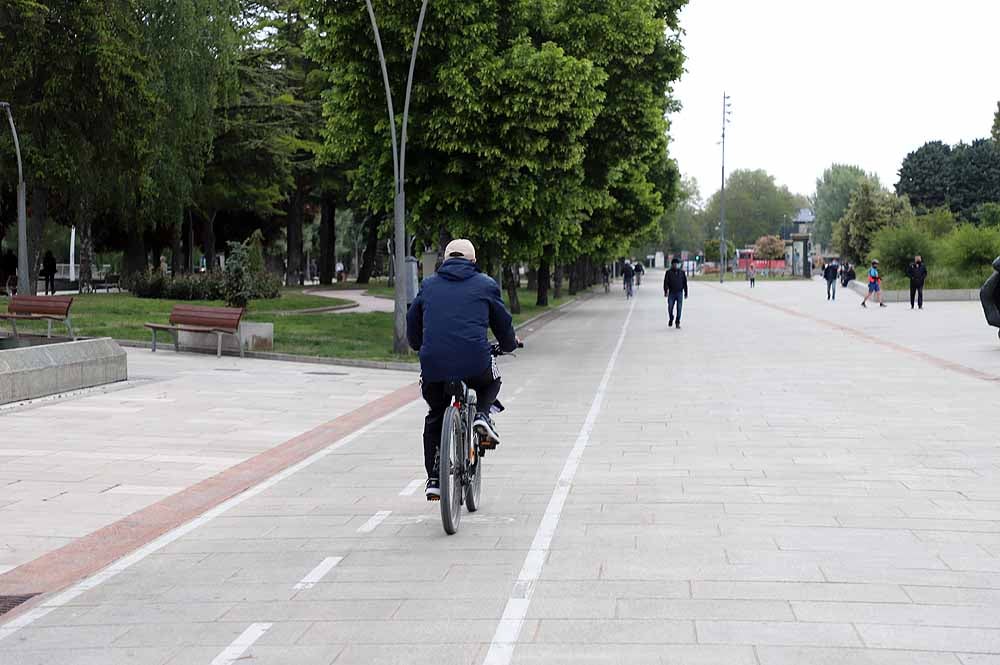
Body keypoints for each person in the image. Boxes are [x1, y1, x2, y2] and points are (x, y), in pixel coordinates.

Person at [406, 239, 519, 500]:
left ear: (444, 261)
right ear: (473, 261)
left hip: (434, 365)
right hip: (475, 362)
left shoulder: (429, 285)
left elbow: (414, 321)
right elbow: (502, 323)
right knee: (493, 380)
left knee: (435, 413)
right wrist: (509, 344)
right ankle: (481, 415)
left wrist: (418, 345)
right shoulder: (486, 285)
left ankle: (435, 477)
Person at [663, 258, 689, 328]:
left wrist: (686, 292)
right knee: (670, 307)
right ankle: (671, 318)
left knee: (679, 308)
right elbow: (665, 282)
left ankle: (677, 322)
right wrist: (666, 291)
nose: (676, 265)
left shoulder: (682, 273)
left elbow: (685, 283)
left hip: (679, 293)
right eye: (674, 264)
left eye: (677, 264)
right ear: (672, 265)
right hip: (671, 293)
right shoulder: (668, 272)